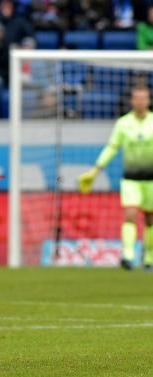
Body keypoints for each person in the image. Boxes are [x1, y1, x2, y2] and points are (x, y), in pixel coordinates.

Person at [78, 85, 153, 271]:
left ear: (149, 100)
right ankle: (127, 256)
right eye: (137, 98)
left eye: (143, 98)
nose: (140, 102)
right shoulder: (123, 123)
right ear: (132, 101)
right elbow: (112, 147)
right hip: (130, 179)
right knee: (130, 215)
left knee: (150, 219)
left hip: (151, 179)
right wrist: (95, 171)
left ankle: (149, 257)